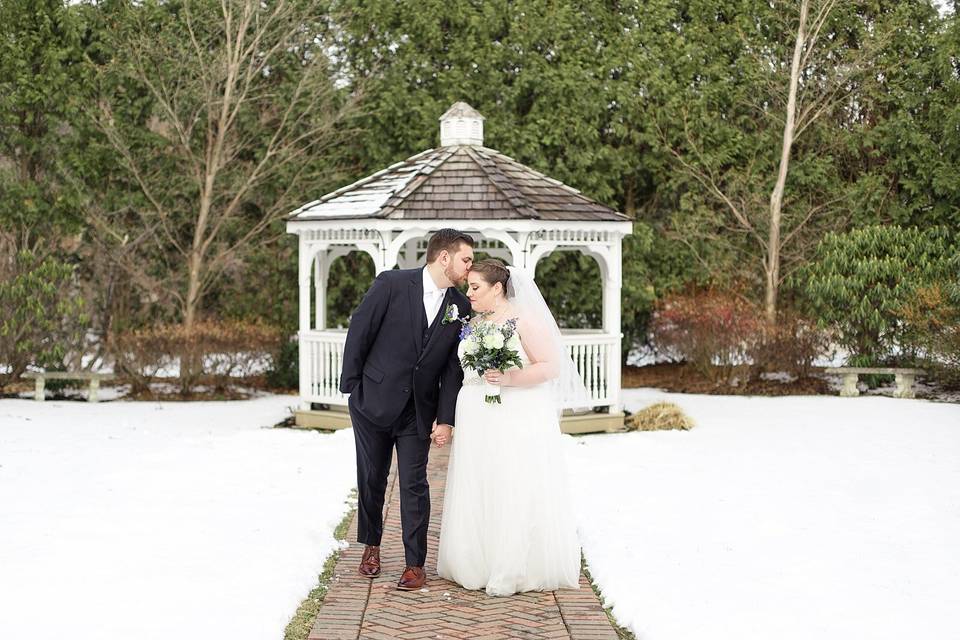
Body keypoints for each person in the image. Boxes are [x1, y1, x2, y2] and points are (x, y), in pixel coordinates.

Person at [436, 259, 586, 596]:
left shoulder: (523, 319)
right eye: (469, 287)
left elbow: (550, 366)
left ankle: (512, 564)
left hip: (513, 412)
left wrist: (509, 378)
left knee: (510, 481)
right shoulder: (473, 322)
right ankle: (474, 561)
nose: (468, 293)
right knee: (479, 481)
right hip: (476, 414)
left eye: (475, 287)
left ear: (497, 288)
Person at [339, 229, 473, 591]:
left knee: (415, 484)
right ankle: (371, 547)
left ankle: (415, 563)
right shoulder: (392, 284)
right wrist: (352, 386)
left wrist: (445, 418)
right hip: (373, 401)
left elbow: (451, 368)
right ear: (444, 258)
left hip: (418, 410)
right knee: (371, 478)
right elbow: (360, 330)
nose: (469, 267)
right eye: (466, 259)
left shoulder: (460, 306)